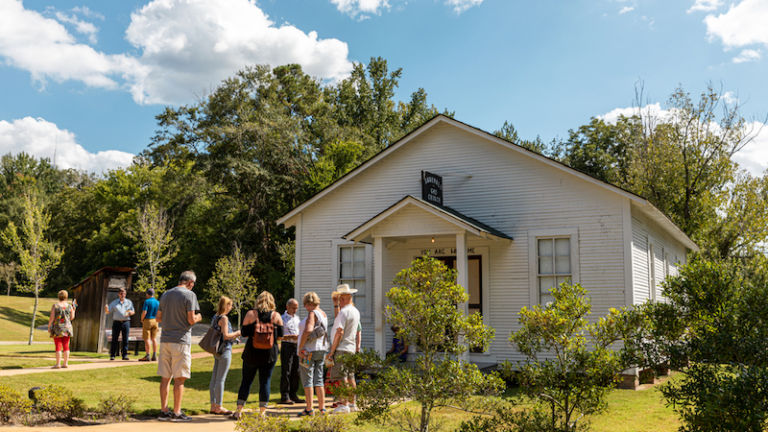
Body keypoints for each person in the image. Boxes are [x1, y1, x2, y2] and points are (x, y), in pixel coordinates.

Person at [156, 271, 202, 422]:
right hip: (181, 340)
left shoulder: (165, 294)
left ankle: (164, 410)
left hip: (165, 340)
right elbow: (190, 319)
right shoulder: (190, 295)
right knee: (180, 378)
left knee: (165, 378)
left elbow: (159, 318)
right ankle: (176, 412)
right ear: (190, 283)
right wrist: (198, 317)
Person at [232, 291, 284, 419]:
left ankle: (239, 410)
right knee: (265, 382)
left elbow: (243, 333)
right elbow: (281, 335)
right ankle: (262, 412)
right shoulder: (276, 316)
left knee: (246, 381)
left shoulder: (251, 314)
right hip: (269, 354)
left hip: (252, 352)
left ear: (258, 300)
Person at [327, 283, 361, 414]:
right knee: (350, 377)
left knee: (341, 378)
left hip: (341, 348)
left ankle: (344, 404)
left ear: (342, 298)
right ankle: (352, 403)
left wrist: (332, 351)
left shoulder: (344, 312)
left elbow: (339, 332)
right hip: (350, 348)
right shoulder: (354, 311)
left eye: (340, 298)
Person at [296, 291, 329, 416]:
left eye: (305, 305)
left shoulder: (312, 313)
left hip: (308, 350)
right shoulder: (323, 314)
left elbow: (308, 329)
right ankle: (322, 408)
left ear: (309, 303)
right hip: (321, 349)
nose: (305, 307)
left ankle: (309, 408)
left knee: (307, 379)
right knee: (319, 378)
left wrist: (300, 347)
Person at [209, 296, 241, 415]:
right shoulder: (224, 318)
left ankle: (213, 404)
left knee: (214, 378)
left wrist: (235, 339)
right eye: (230, 305)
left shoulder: (215, 317)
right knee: (220, 379)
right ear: (226, 305)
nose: (231, 307)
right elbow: (226, 335)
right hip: (225, 350)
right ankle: (219, 406)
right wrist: (238, 333)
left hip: (217, 350)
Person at [279, 298, 302, 405]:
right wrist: (290, 336)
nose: (295, 310)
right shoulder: (281, 318)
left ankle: (293, 394)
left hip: (296, 346)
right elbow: (279, 336)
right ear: (287, 307)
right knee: (286, 370)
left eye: (296, 308)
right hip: (287, 345)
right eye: (293, 308)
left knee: (296, 371)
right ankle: (285, 395)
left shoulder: (297, 318)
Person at [48, 290, 76, 369]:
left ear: (59, 296)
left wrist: (49, 326)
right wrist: (74, 310)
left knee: (58, 346)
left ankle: (58, 364)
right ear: (66, 296)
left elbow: (52, 317)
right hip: (67, 328)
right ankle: (65, 363)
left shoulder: (55, 306)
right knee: (66, 346)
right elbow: (72, 317)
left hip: (57, 328)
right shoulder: (70, 306)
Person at [104, 287, 134, 361]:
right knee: (114, 339)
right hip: (117, 322)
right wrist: (106, 309)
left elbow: (133, 311)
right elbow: (108, 312)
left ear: (125, 294)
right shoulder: (114, 302)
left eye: (124, 293)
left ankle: (125, 355)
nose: (122, 295)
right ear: (118, 294)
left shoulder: (129, 302)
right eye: (121, 293)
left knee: (125, 339)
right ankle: (112, 355)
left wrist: (130, 313)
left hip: (126, 322)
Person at [139, 289, 160, 362]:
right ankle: (154, 355)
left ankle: (147, 355)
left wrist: (142, 319)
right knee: (154, 339)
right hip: (155, 320)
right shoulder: (157, 302)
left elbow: (144, 311)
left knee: (147, 339)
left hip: (148, 320)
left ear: (147, 294)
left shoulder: (147, 301)